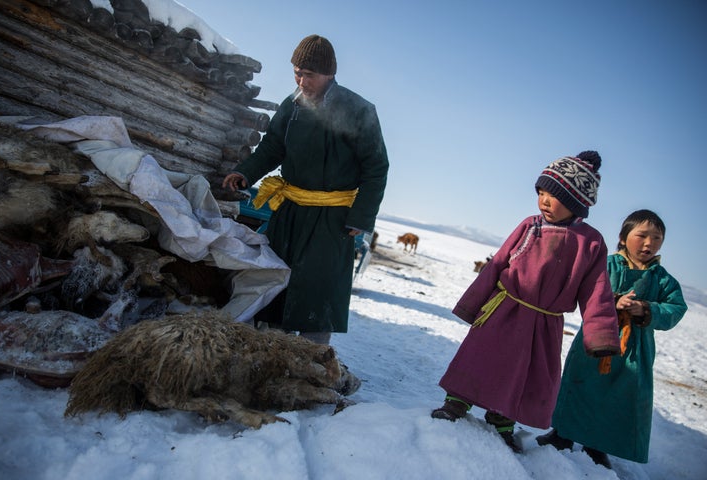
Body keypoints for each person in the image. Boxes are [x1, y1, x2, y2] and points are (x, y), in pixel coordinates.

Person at [430, 151, 620, 453]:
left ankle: (502, 420)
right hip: (504, 309)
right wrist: (472, 304)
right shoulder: (529, 225)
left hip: (544, 322)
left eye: (553, 195)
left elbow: (597, 290)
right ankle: (455, 404)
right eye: (541, 192)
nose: (543, 200)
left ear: (575, 201)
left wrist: (601, 336)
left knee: (524, 373)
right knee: (479, 356)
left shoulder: (591, 243)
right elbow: (497, 264)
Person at [222, 34, 389, 345]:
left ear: (329, 74)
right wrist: (244, 173)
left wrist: (361, 216)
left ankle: (314, 358)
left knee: (319, 288)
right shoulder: (292, 106)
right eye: (297, 72)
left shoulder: (358, 110)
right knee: (278, 276)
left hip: (333, 217)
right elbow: (272, 148)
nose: (301, 80)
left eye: (308, 74)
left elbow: (376, 167)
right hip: (290, 210)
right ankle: (269, 349)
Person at [537, 209, 687, 468]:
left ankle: (597, 445)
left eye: (657, 238)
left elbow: (675, 309)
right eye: (642, 235)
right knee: (580, 384)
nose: (649, 243)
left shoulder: (663, 280)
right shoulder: (605, 264)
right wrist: (614, 302)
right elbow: (586, 289)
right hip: (596, 336)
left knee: (619, 395)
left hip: (634, 349)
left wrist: (647, 309)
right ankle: (562, 433)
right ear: (623, 237)